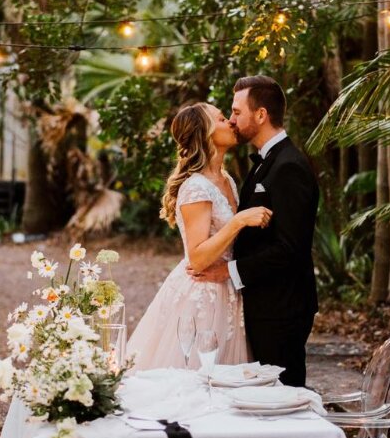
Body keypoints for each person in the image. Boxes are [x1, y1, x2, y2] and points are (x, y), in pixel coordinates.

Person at [190, 76, 319, 387]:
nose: (232, 120)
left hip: (281, 308)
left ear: (261, 115)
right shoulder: (264, 164)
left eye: (236, 112)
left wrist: (229, 271)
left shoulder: (289, 167)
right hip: (262, 303)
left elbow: (291, 248)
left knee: (283, 395)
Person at [127, 102, 272, 371]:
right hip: (202, 295)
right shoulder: (196, 187)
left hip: (228, 287)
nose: (230, 121)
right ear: (204, 133)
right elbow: (198, 257)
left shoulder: (226, 179)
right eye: (220, 119)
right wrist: (239, 220)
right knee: (196, 376)